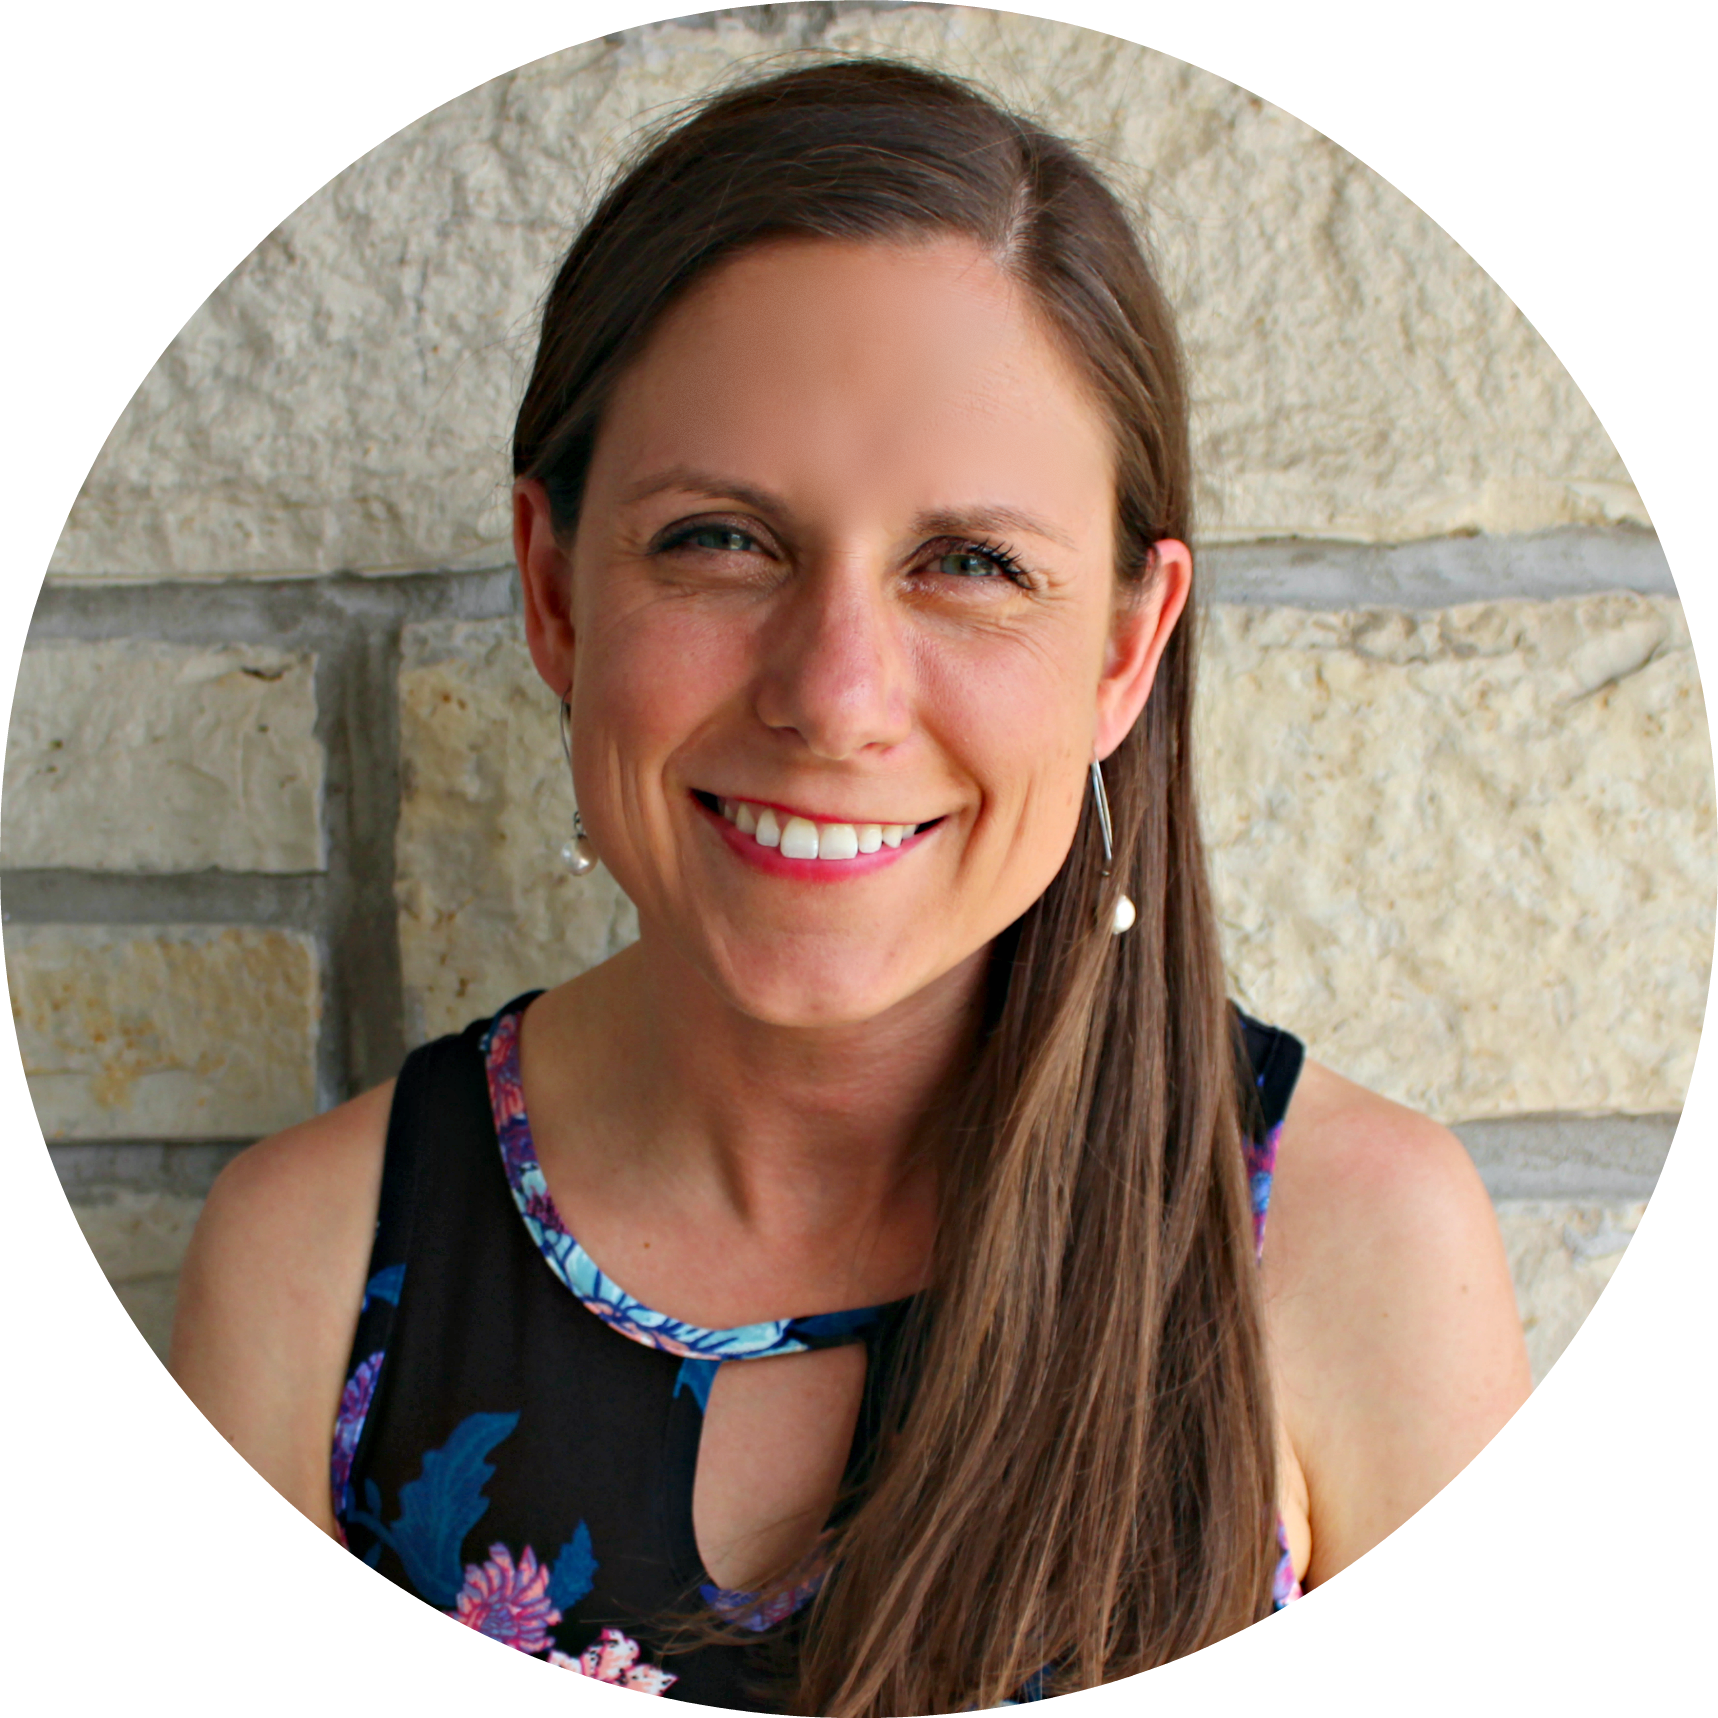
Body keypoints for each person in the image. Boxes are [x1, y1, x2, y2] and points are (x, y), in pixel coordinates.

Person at [170, 57, 1531, 1713]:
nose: (833, 692)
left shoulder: (1347, 1247)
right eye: (720, 540)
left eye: (967, 565)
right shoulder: (308, 1263)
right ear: (552, 592)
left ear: (1122, 648)